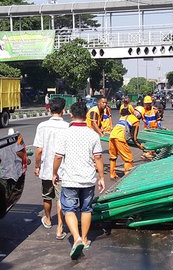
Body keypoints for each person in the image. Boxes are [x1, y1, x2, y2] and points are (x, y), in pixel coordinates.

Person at [53, 102, 105, 260]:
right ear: (86, 115)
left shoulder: (64, 134)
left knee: (69, 209)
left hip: (69, 179)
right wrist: (101, 177)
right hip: (88, 179)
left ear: (71, 114)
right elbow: (98, 158)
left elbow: (58, 157)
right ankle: (85, 239)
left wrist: (54, 173)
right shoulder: (93, 135)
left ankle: (76, 239)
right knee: (86, 209)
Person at [33, 97, 69, 240]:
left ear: (49, 109)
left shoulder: (42, 126)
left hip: (47, 168)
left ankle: (48, 219)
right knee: (61, 199)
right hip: (62, 169)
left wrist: (37, 166)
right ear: (63, 110)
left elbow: (39, 150)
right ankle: (60, 228)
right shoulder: (67, 127)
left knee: (47, 196)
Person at [109, 107, 144, 179]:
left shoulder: (124, 116)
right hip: (120, 138)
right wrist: (140, 146)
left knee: (113, 157)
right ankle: (127, 177)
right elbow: (134, 137)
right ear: (139, 115)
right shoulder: (136, 121)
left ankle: (112, 174)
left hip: (112, 136)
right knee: (128, 159)